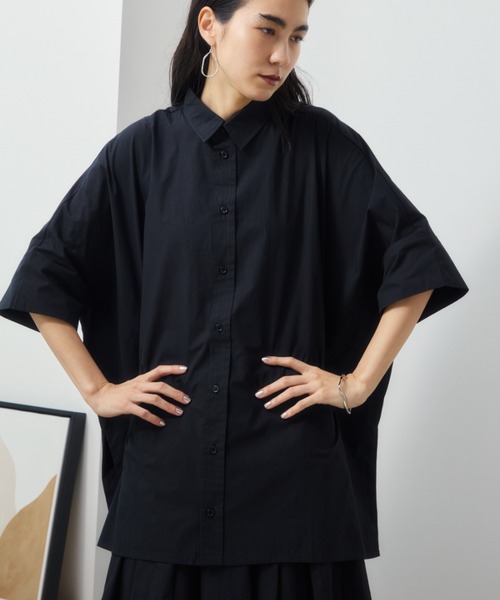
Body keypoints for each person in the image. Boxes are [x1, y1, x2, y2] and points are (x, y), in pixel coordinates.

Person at [0, 0, 468, 598]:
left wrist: (355, 385)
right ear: (209, 26)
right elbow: (47, 273)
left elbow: (415, 258)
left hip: (295, 491)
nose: (283, 56)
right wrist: (98, 391)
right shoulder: (139, 153)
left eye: (297, 37)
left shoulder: (325, 147)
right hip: (168, 487)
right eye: (268, 30)